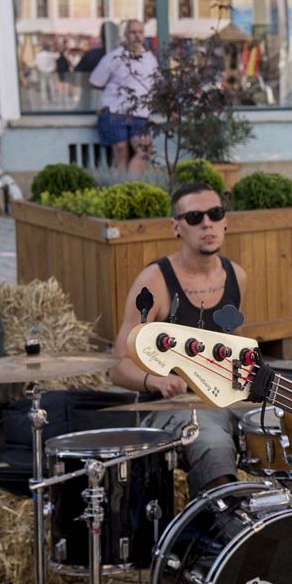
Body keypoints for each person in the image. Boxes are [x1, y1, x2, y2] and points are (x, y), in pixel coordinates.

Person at [111, 182, 247, 498]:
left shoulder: (236, 275)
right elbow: (118, 366)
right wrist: (156, 381)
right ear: (176, 227)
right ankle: (225, 523)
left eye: (215, 214)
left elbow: (237, 346)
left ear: (225, 220)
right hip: (168, 405)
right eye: (195, 217)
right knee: (213, 444)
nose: (207, 224)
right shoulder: (154, 282)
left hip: (222, 398)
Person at [89, 19, 158, 177]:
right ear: (126, 35)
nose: (137, 36)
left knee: (144, 151)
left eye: (140, 32)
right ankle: (119, 187)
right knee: (121, 152)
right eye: (133, 32)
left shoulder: (149, 59)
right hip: (114, 112)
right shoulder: (114, 57)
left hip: (140, 114)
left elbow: (157, 84)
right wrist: (115, 89)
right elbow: (94, 82)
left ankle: (131, 186)